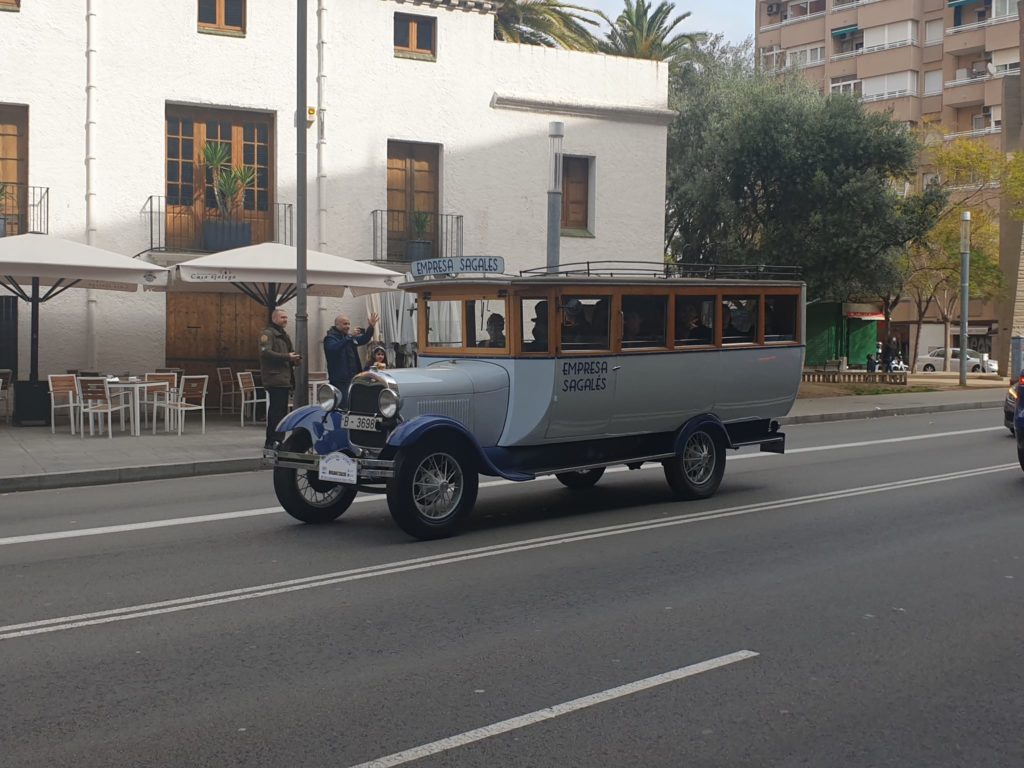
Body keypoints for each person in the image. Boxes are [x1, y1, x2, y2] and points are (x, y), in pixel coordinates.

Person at [259, 307, 301, 449]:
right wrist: (287, 357)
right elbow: (265, 352)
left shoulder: (284, 335)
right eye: (282, 317)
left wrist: (294, 359)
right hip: (275, 378)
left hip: (284, 379)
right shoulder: (267, 334)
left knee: (282, 412)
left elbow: (289, 353)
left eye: (286, 317)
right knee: (276, 412)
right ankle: (272, 441)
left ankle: (278, 440)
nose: (285, 320)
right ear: (274, 318)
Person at [324, 311, 379, 403]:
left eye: (349, 324)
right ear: (337, 325)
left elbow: (363, 339)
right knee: (344, 405)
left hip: (353, 378)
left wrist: (371, 327)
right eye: (345, 324)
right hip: (340, 381)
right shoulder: (330, 338)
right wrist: (349, 337)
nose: (348, 326)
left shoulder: (348, 338)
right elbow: (333, 349)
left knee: (355, 403)